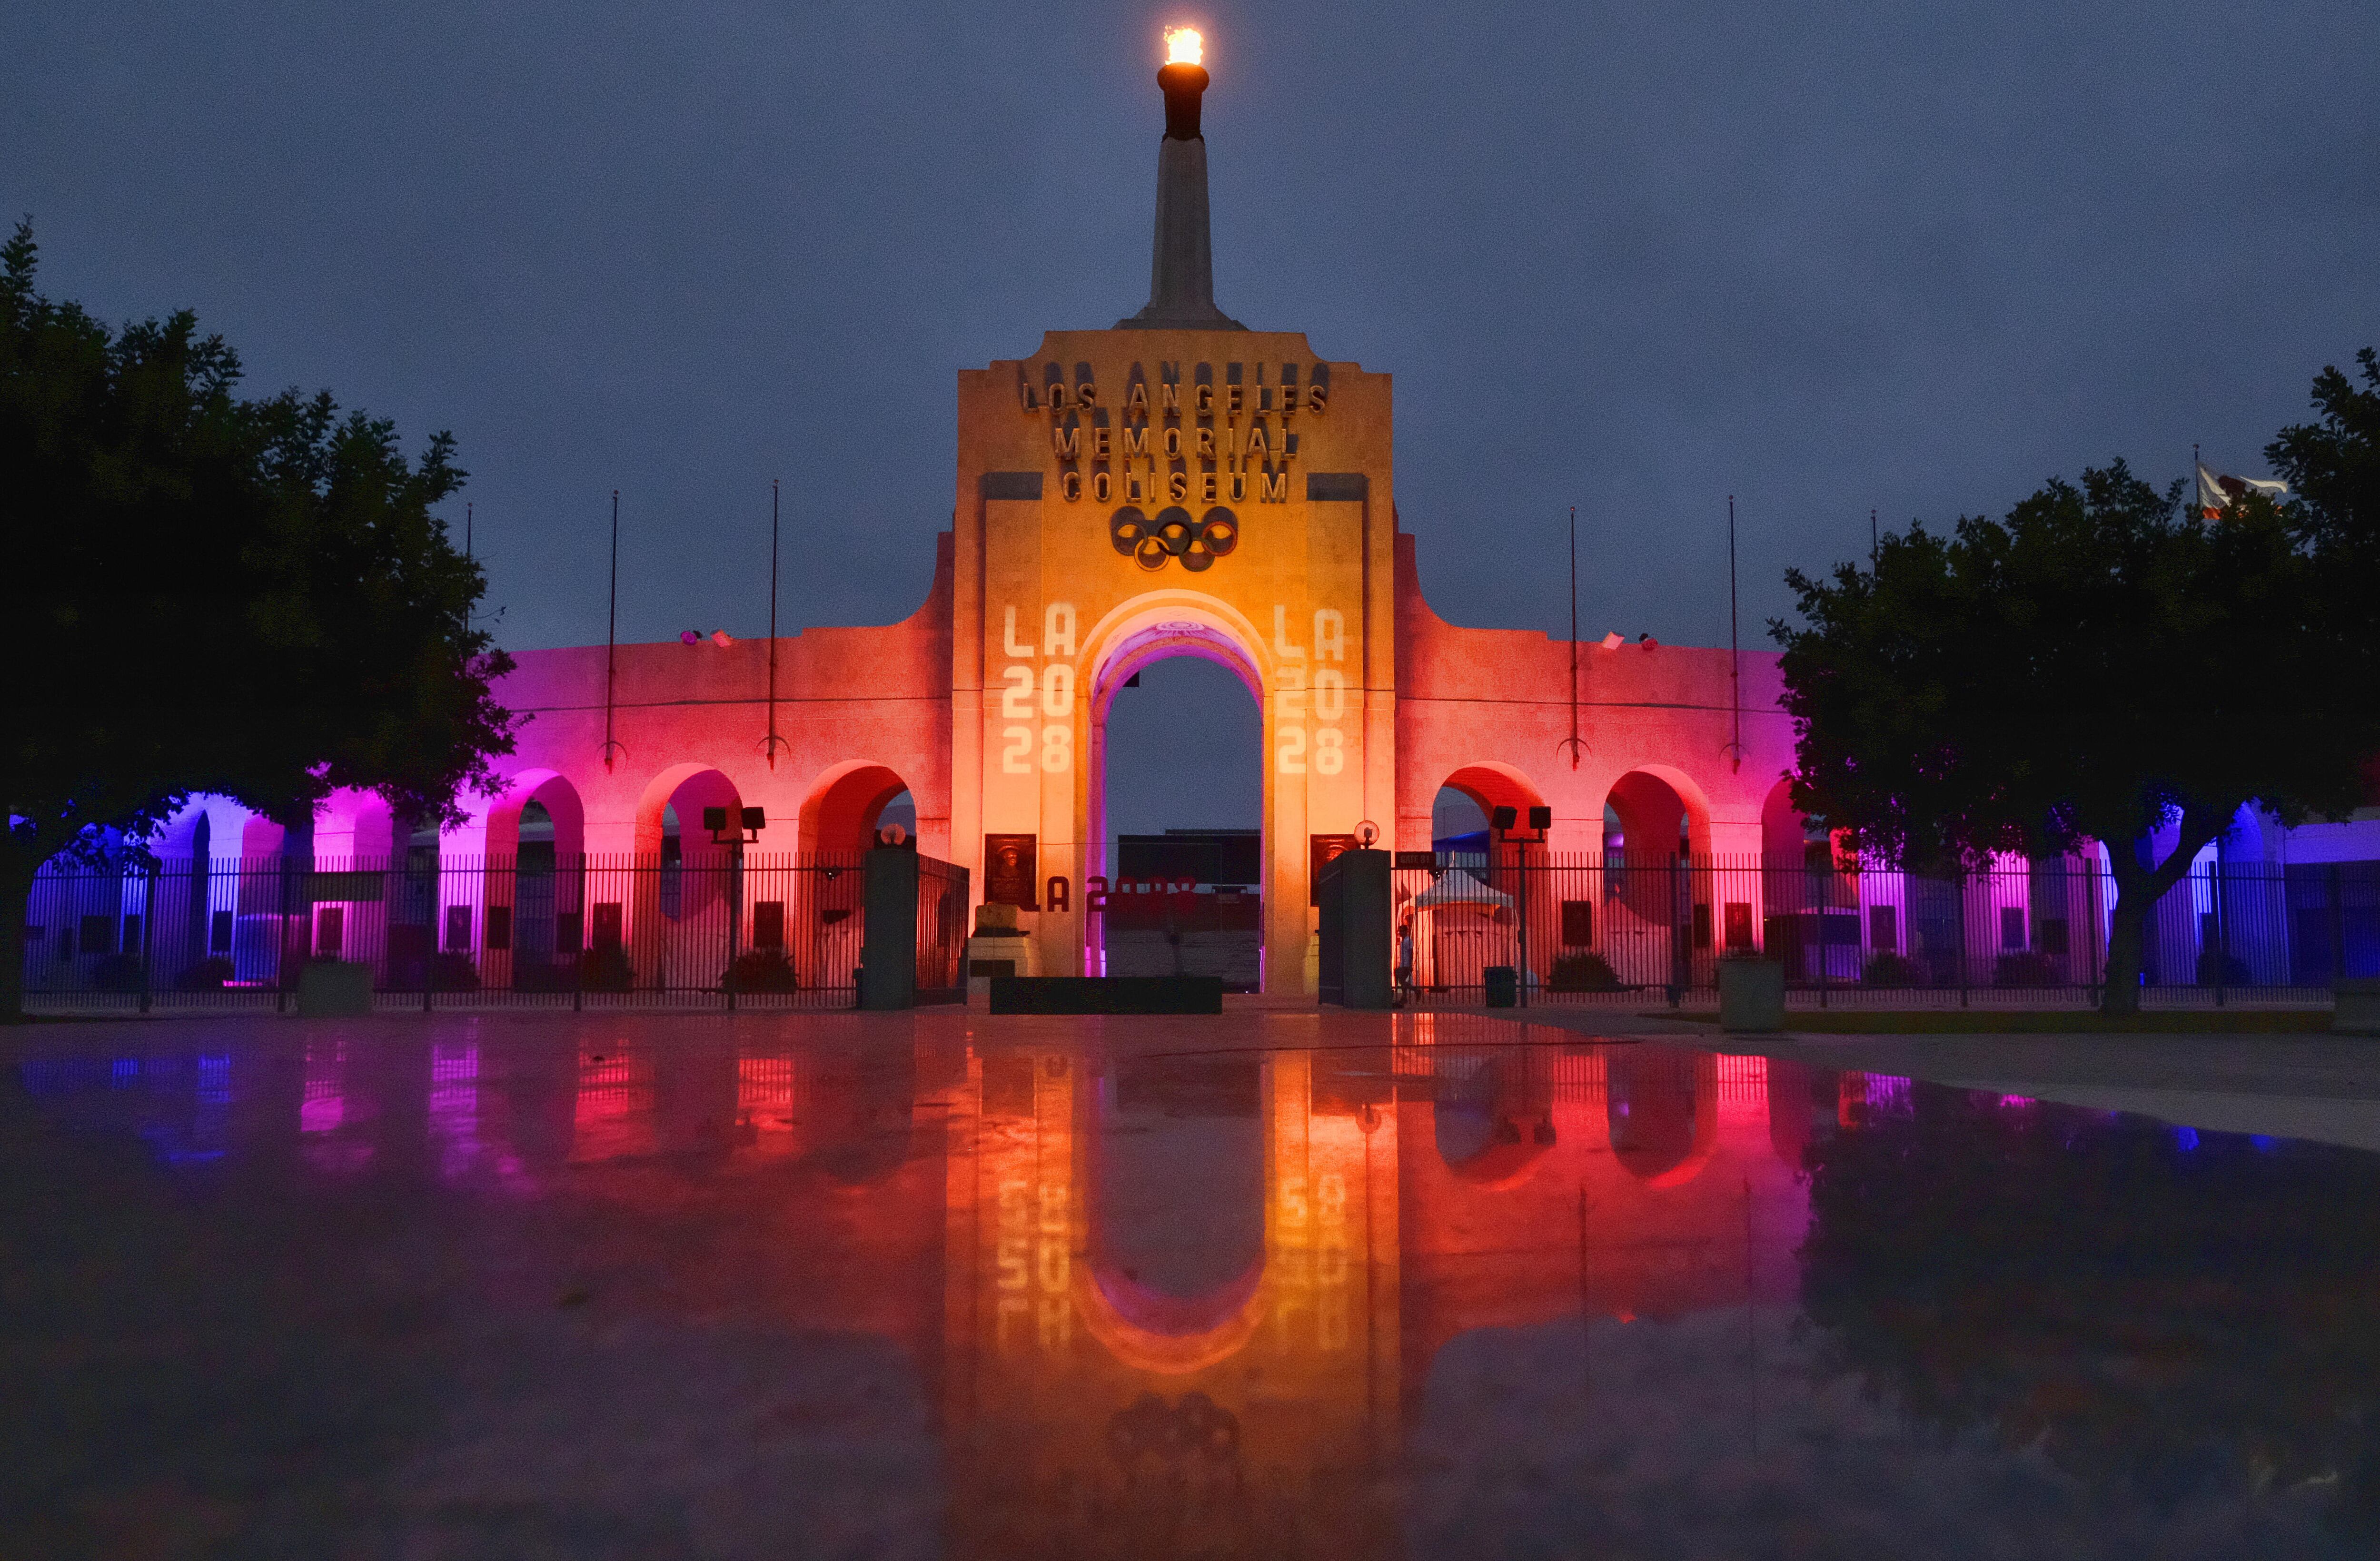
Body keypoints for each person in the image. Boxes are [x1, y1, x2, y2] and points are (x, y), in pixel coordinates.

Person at [1395, 920, 1416, 1007]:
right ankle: (1406, 996)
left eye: (1402, 931)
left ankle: (1411, 993)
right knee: (1402, 980)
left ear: (1406, 932)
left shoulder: (1408, 941)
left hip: (1406, 964)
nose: (1401, 932)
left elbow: (1411, 953)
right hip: (1403, 963)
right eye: (1400, 931)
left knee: (1402, 980)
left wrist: (1410, 964)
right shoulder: (1404, 941)